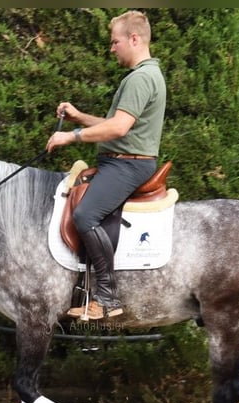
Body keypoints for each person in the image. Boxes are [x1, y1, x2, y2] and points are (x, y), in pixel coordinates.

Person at [46, 10, 166, 321]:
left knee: (85, 215)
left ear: (134, 39)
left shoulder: (141, 78)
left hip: (127, 166)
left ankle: (107, 298)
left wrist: (70, 136)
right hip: (122, 162)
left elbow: (118, 128)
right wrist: (80, 117)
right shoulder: (145, 75)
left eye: (115, 42)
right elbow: (115, 122)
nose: (112, 48)